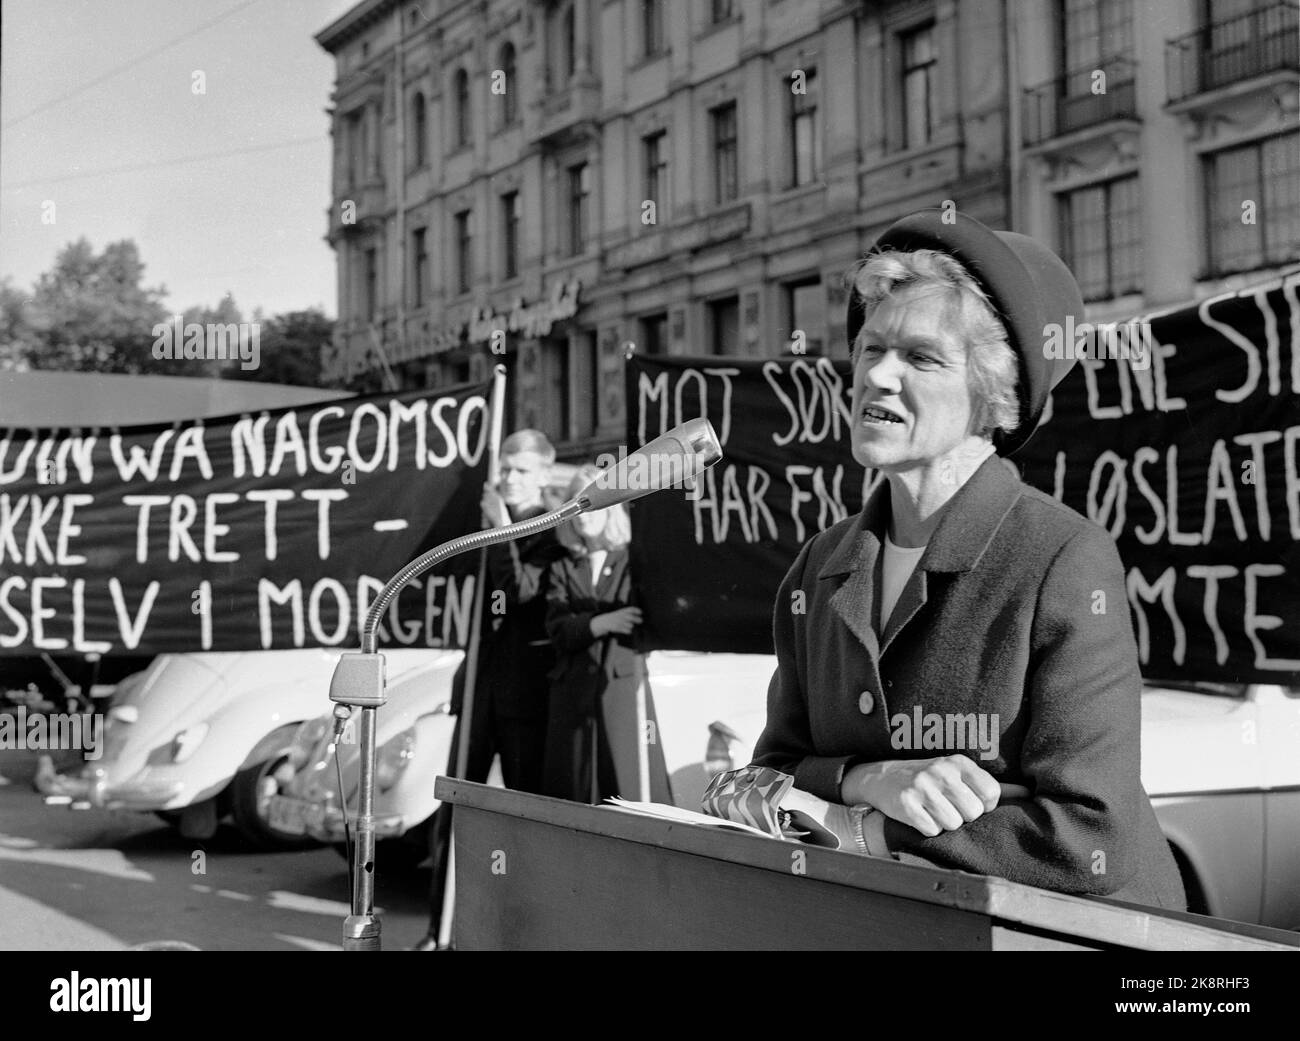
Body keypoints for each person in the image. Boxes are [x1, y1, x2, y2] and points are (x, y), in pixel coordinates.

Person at [750, 209, 1186, 908]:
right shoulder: (819, 566)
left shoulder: (1060, 558)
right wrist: (867, 778)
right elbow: (768, 773)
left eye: (921, 358)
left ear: (993, 396)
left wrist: (862, 829)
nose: (879, 377)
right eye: (870, 348)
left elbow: (1087, 833)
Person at [414, 428, 568, 950]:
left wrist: (500, 530)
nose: (508, 479)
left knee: (527, 814)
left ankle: (530, 932)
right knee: (455, 805)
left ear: (545, 474)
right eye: (504, 469)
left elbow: (522, 594)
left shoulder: (556, 526)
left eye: (521, 471)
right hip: (479, 685)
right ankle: (440, 930)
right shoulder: (479, 521)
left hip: (529, 695)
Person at [541, 464, 672, 804]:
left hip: (622, 690)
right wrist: (602, 623)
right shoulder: (562, 566)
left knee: (629, 788)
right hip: (572, 696)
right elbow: (558, 629)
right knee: (574, 795)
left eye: (589, 502)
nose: (581, 514)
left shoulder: (634, 559)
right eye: (575, 503)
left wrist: (584, 622)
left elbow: (645, 616)